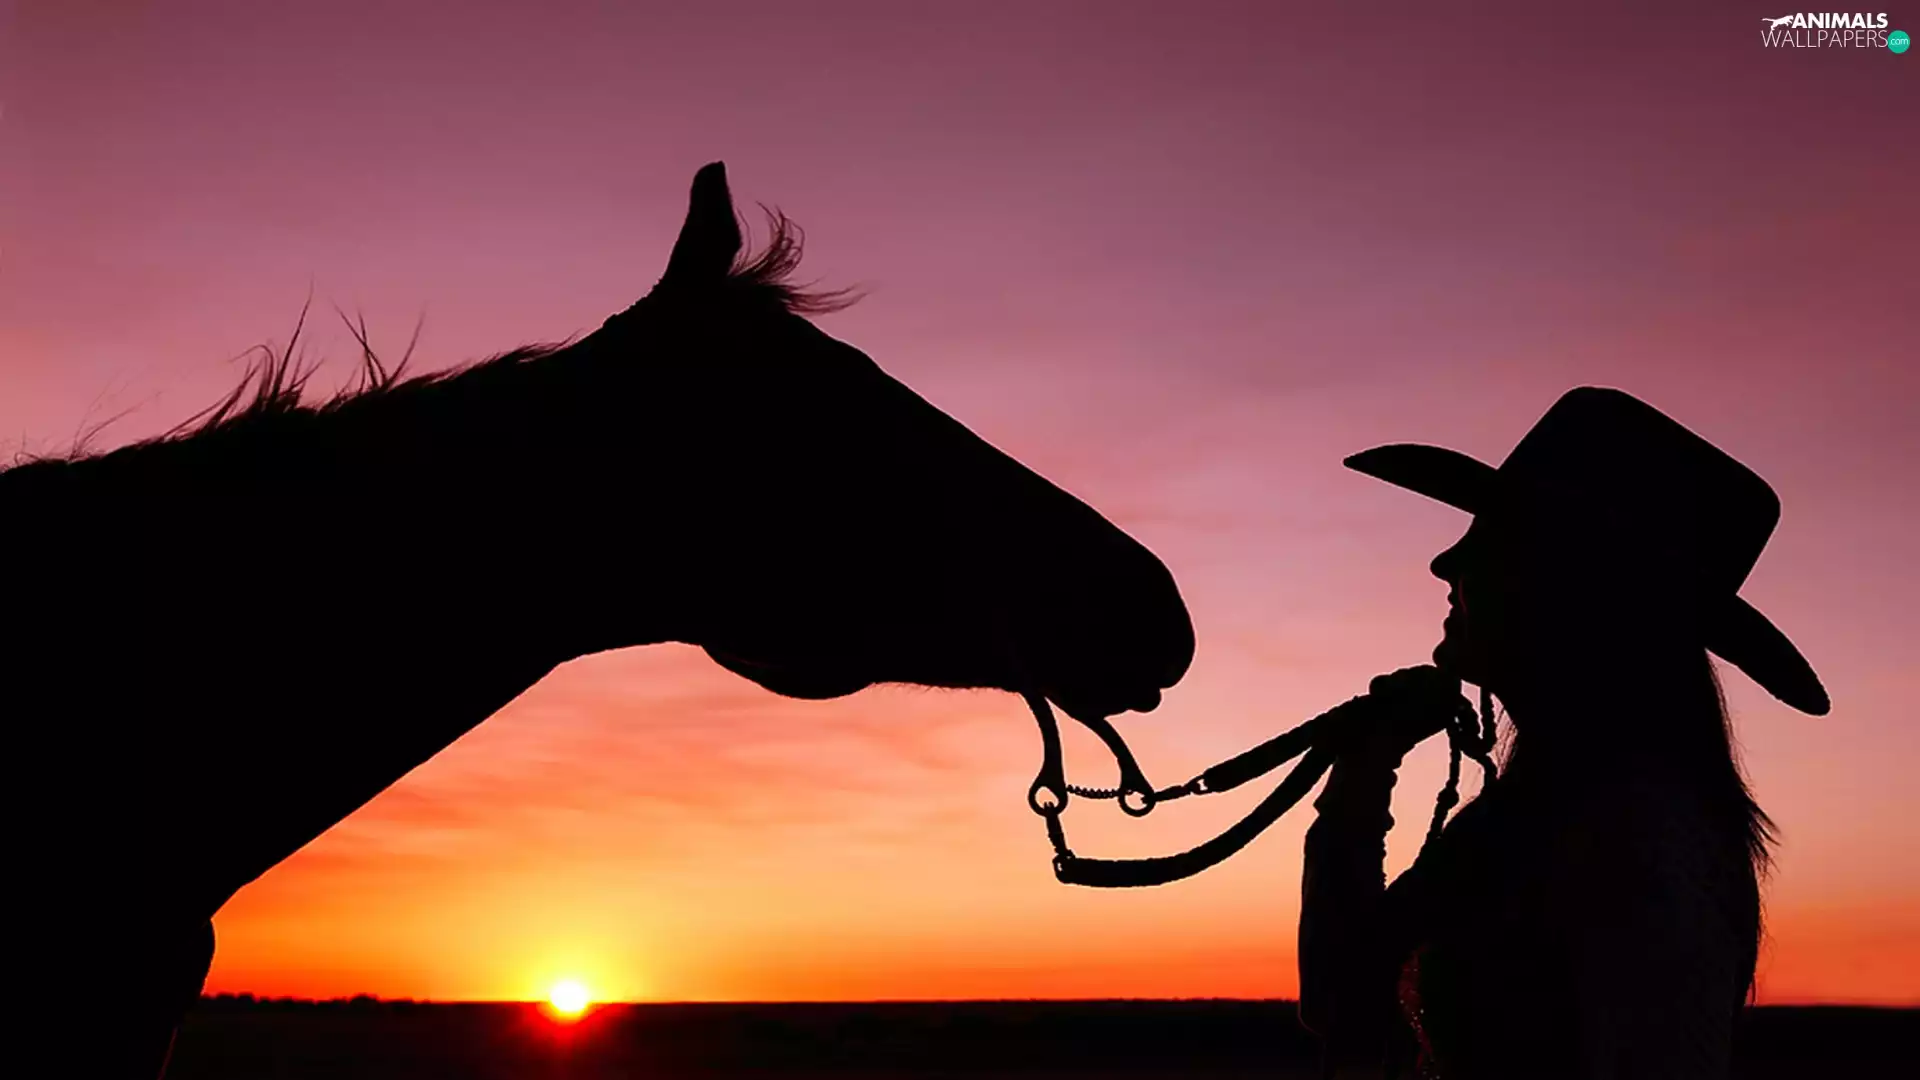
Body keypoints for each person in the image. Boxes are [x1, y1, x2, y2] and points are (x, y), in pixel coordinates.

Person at [1298, 387, 1830, 1080]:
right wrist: (1365, 768)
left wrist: (1361, 778)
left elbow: (1343, 995)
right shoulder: (1549, 812)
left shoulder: (1630, 833)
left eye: (1489, 541)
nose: (1446, 564)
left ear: (1565, 582)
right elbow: (1343, 994)